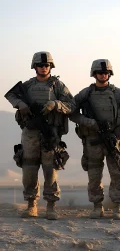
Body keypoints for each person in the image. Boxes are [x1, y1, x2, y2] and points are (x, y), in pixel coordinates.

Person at [5, 51, 75, 220]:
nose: (43, 68)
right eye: (40, 65)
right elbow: (11, 95)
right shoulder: (28, 85)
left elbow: (71, 105)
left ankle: (51, 206)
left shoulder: (58, 86)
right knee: (29, 167)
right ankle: (31, 205)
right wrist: (21, 104)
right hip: (30, 132)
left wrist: (55, 104)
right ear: (34, 67)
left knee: (50, 168)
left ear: (51, 67)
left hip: (50, 131)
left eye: (46, 65)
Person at [70, 59, 120, 220]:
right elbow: (71, 111)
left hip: (113, 139)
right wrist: (89, 122)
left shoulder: (117, 93)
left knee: (117, 173)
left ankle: (117, 207)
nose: (103, 75)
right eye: (100, 72)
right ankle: (97, 206)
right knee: (94, 175)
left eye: (106, 72)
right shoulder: (85, 94)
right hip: (92, 140)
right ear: (94, 74)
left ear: (110, 74)